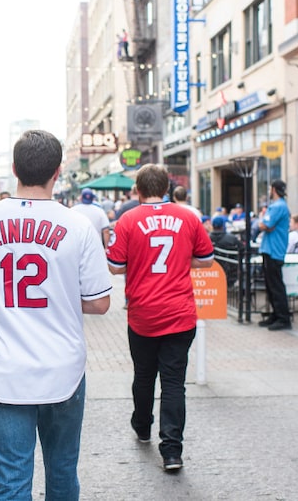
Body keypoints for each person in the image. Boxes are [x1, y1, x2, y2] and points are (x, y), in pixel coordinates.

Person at [0, 130, 112, 499]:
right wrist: (61, 295)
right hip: (63, 370)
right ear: (58, 170)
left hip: (5, 371)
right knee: (63, 474)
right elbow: (100, 302)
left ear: (15, 169)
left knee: (12, 483)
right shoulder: (79, 225)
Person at [106, 163, 214, 473]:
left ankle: (142, 425)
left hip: (143, 313)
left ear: (137, 190)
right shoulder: (188, 217)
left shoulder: (127, 220)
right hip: (180, 313)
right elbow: (206, 261)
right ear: (167, 188)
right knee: (173, 382)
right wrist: (181, 259)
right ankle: (171, 450)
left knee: (143, 375)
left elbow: (114, 266)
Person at [257, 179, 293, 331]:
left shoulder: (278, 206)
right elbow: (266, 226)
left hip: (274, 250)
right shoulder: (278, 206)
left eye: (271, 189)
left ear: (274, 190)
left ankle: (283, 318)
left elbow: (265, 225)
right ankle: (276, 314)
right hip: (271, 249)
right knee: (271, 285)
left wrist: (263, 221)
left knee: (276, 285)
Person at [209, 215, 243, 286]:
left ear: (212, 226)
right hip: (230, 272)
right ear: (223, 226)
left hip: (210, 272)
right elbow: (242, 249)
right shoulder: (232, 238)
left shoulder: (206, 238)